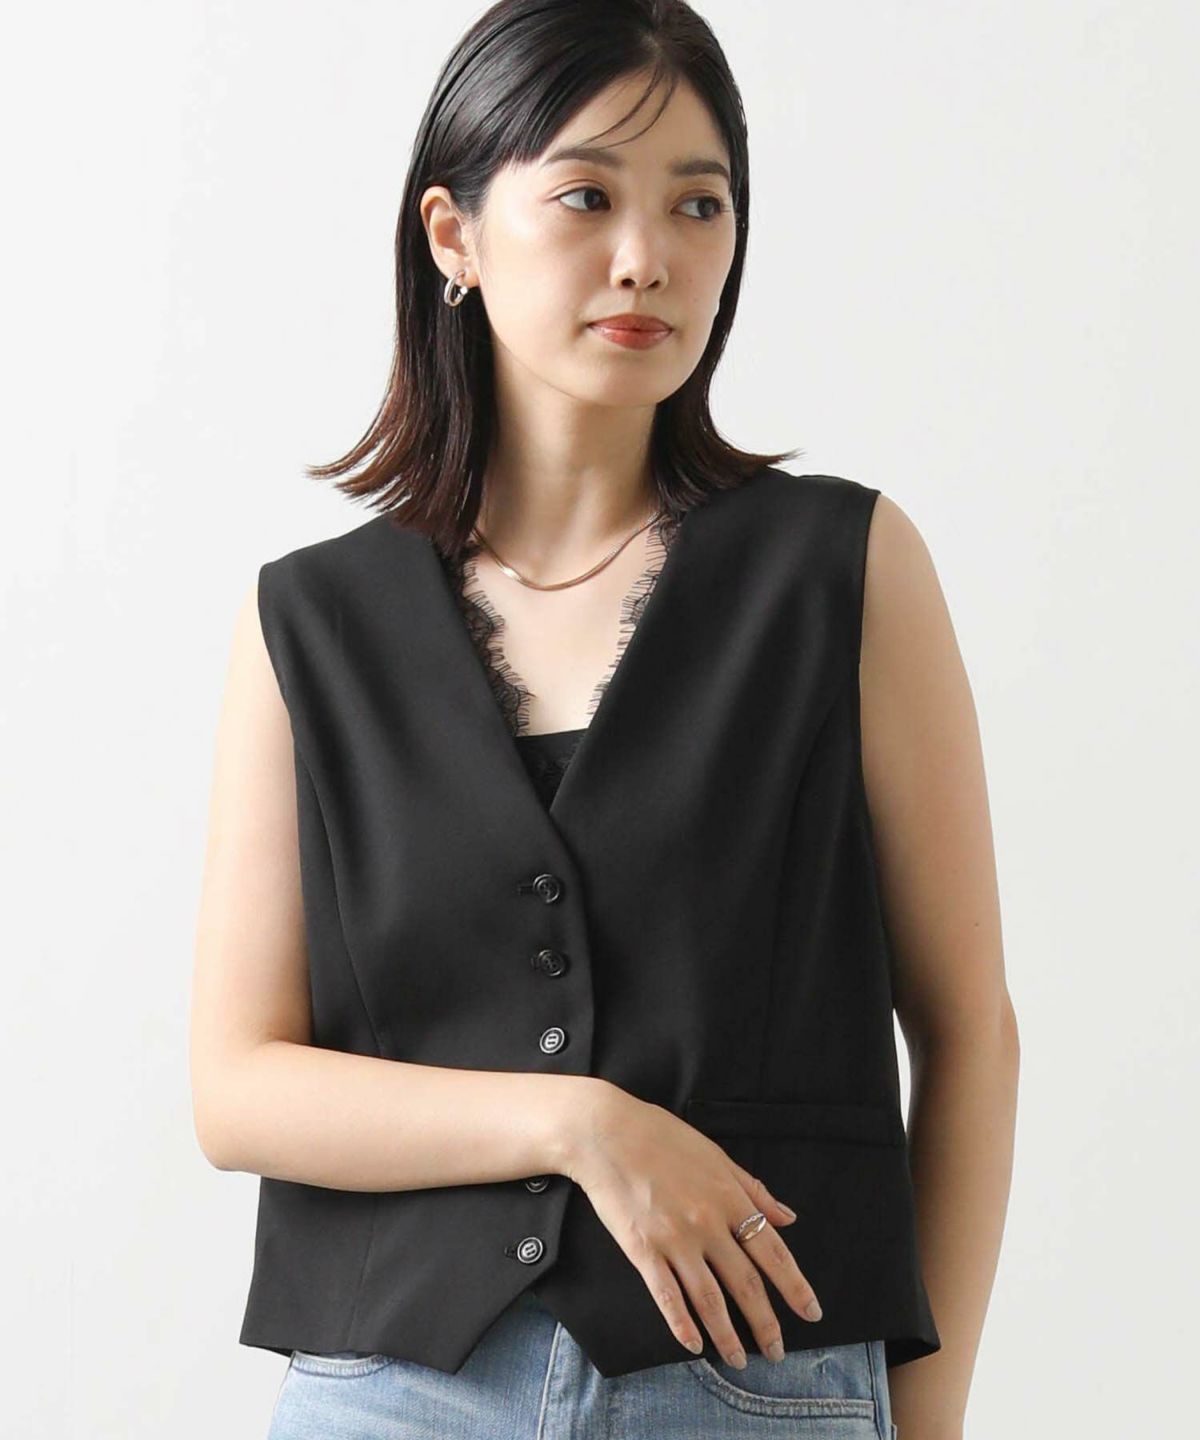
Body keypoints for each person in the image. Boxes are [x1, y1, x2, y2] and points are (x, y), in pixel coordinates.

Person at [190, 2, 1020, 1437]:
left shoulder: (841, 569)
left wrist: (926, 1424)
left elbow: (967, 1035)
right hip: (389, 1395)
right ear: (453, 235)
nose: (649, 257)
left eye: (699, 205)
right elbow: (237, 1088)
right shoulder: (311, 623)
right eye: (586, 197)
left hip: (757, 1393)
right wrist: (580, 1125)